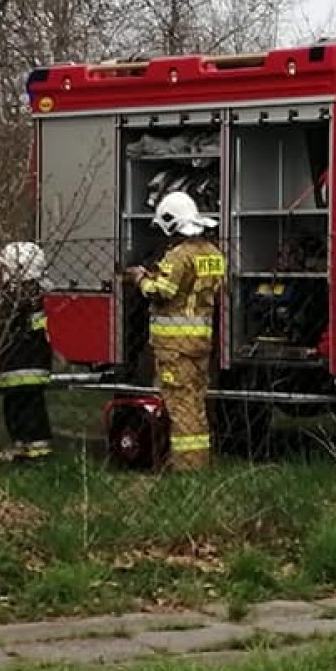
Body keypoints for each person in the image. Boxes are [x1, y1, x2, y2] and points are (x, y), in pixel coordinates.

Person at [124, 191, 226, 471]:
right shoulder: (213, 253)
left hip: (175, 345)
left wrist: (142, 279)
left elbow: (163, 292)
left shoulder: (178, 256)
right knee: (196, 401)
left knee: (180, 403)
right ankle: (199, 460)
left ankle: (187, 466)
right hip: (200, 341)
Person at [0, 241, 54, 462]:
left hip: (21, 363)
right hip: (25, 363)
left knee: (27, 410)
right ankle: (23, 448)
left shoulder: (18, 299)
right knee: (20, 407)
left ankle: (36, 453)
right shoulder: (34, 295)